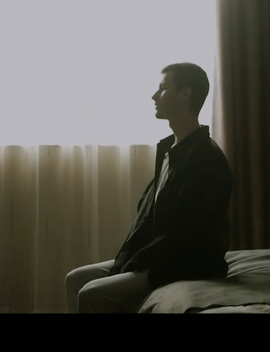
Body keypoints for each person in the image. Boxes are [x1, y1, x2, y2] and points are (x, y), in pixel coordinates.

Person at [65, 62, 233, 313]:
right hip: (159, 257)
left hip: (185, 264)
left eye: (163, 88)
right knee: (76, 278)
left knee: (91, 292)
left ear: (185, 93)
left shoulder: (205, 158)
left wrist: (135, 263)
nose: (155, 96)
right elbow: (147, 220)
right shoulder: (170, 150)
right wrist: (126, 261)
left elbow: (184, 234)